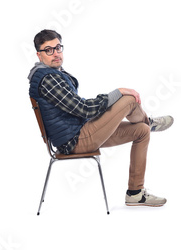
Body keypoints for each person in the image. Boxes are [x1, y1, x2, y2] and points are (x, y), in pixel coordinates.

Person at [28, 29, 173, 207]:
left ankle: (135, 193)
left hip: (78, 133)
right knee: (128, 100)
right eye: (49, 50)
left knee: (141, 131)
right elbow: (83, 109)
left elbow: (78, 109)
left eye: (58, 48)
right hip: (75, 141)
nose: (56, 53)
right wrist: (117, 92)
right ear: (39, 54)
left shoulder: (50, 74)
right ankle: (149, 122)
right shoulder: (48, 78)